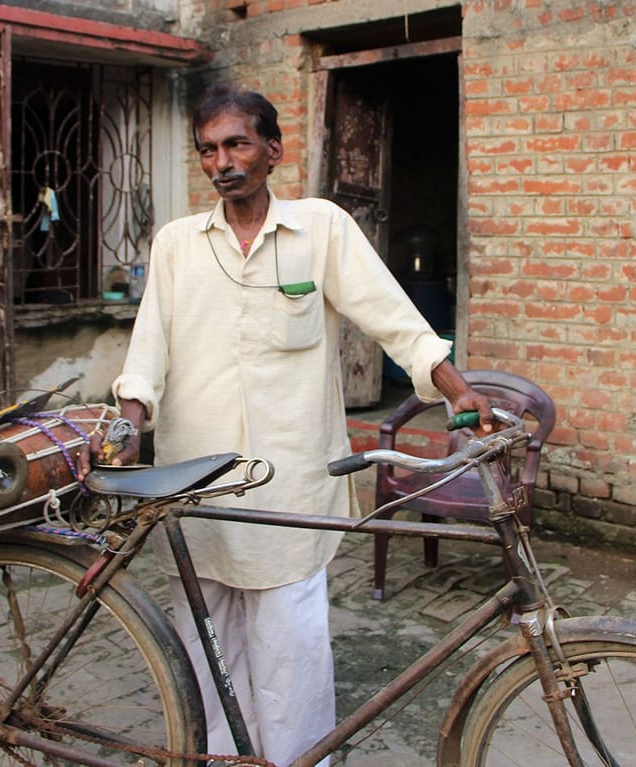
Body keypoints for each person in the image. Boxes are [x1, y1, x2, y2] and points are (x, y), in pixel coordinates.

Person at [95, 83, 494, 766]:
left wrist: (459, 389)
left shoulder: (322, 228)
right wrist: (129, 423)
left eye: (237, 144)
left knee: (290, 651)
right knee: (208, 644)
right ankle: (215, 758)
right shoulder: (177, 245)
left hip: (289, 485)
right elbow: (147, 354)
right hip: (199, 485)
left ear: (273, 149)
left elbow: (394, 318)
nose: (222, 161)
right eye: (209, 150)